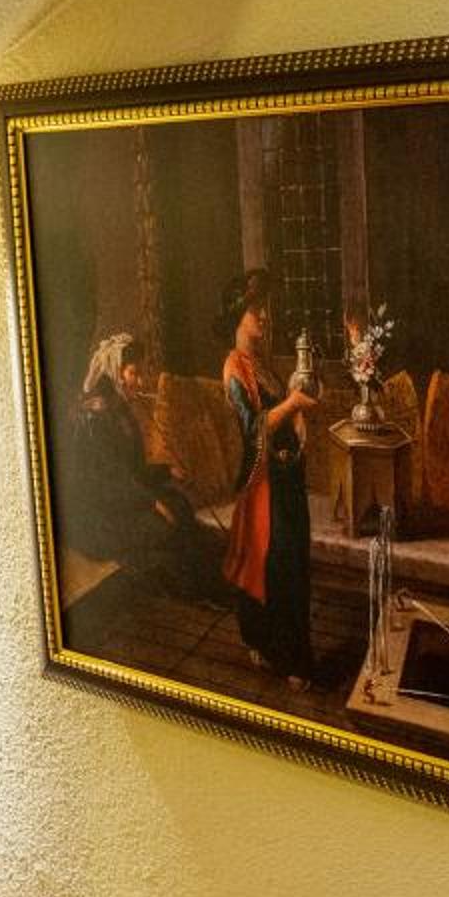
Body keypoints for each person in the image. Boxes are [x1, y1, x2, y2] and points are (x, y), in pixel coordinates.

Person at [215, 268, 318, 687]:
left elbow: (281, 411)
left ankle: (286, 650)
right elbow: (253, 428)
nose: (264, 316)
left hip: (286, 475)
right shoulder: (233, 367)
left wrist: (297, 417)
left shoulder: (263, 363)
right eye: (255, 309)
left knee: (294, 562)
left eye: (264, 308)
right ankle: (284, 656)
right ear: (237, 316)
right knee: (276, 566)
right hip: (261, 482)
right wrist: (293, 404)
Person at [66, 330, 223, 597]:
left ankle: (208, 582)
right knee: (162, 523)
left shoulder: (120, 410)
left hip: (123, 501)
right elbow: (108, 482)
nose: (139, 382)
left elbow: (133, 471)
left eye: (140, 374)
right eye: (133, 373)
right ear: (116, 373)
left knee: (179, 504)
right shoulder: (95, 417)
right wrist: (151, 502)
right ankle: (195, 591)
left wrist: (166, 470)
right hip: (98, 516)